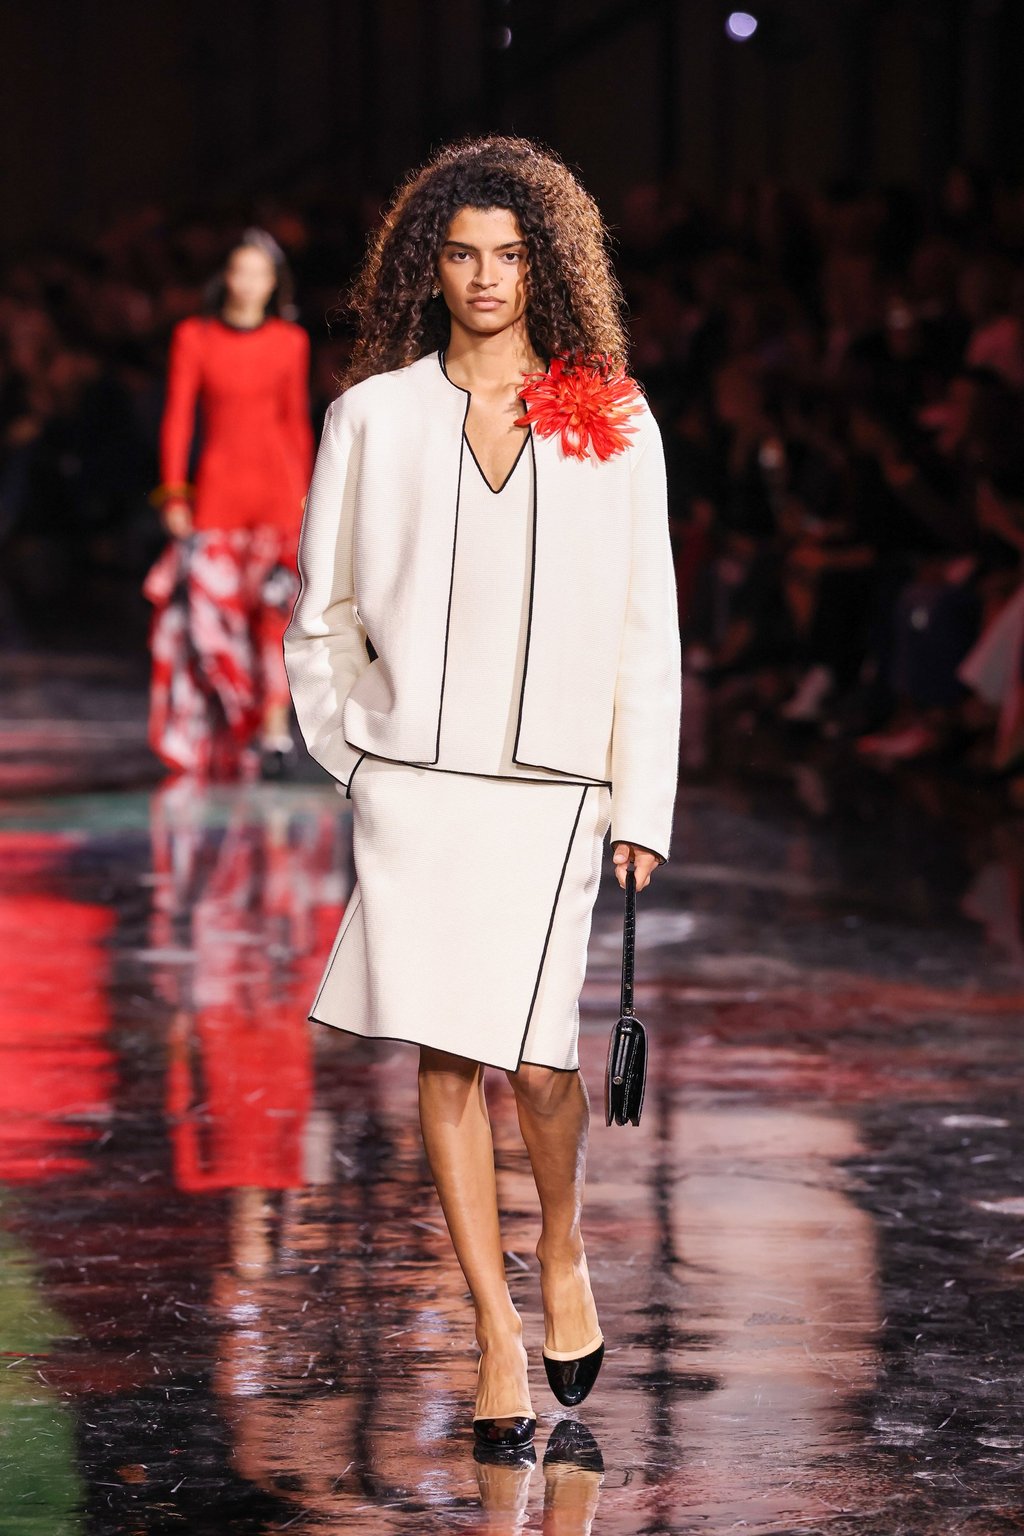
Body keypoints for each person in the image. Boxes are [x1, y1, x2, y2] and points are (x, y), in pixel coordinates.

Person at [284, 136, 682, 1451]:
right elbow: (322, 618)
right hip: (422, 789)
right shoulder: (372, 419)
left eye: (511, 254)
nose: (487, 276)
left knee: (541, 1060)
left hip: (560, 790)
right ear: (428, 268)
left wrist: (643, 804)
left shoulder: (612, 419)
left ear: (548, 264)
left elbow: (646, 626)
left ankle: (561, 1247)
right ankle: (495, 1333)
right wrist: (357, 759)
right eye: (462, 254)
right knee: (451, 1058)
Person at [144, 228, 314, 779]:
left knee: (275, 620)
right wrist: (174, 491)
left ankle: (273, 735)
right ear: (226, 278)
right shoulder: (194, 337)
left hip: (279, 499)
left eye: (259, 273)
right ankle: (237, 728)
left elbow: (295, 423)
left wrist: (312, 494)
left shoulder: (291, 342)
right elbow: (178, 417)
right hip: (216, 498)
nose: (248, 283)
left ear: (273, 283)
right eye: (239, 271)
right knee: (215, 627)